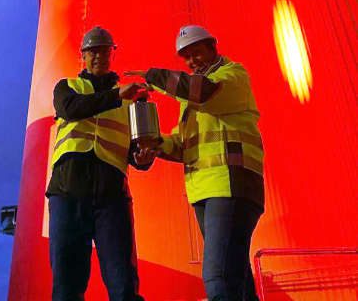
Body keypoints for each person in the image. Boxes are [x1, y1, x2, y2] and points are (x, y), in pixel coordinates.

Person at [126, 25, 264, 301]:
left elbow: (202, 92)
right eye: (186, 57)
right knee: (236, 274)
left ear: (213, 47)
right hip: (205, 189)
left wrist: (154, 78)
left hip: (231, 183)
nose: (191, 61)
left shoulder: (232, 75)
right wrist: (154, 144)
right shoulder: (191, 97)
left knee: (218, 276)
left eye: (197, 53)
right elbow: (182, 144)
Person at [46, 26, 152, 301]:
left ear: (112, 54)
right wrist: (117, 96)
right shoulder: (67, 87)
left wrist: (142, 158)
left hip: (112, 197)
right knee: (67, 287)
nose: (98, 56)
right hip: (68, 193)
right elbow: (71, 109)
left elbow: (132, 147)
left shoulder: (128, 99)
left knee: (124, 285)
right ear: (83, 55)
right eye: (92, 51)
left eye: (104, 51)